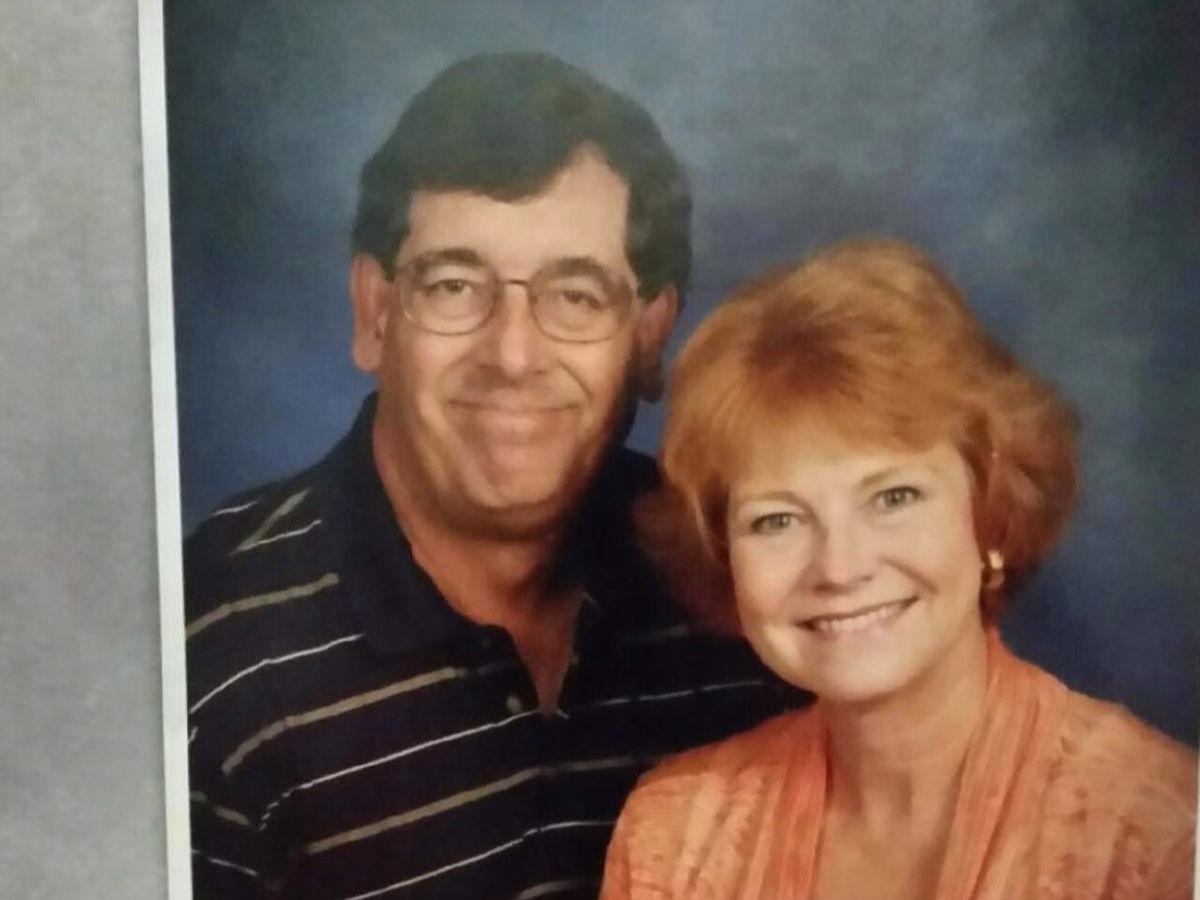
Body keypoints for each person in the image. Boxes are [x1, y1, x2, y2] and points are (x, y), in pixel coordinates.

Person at [184, 53, 793, 900]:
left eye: (575, 296)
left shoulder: (737, 586)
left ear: (649, 335)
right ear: (374, 313)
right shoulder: (206, 661)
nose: (512, 355)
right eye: (454, 286)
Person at [600, 239, 1197, 899]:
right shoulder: (674, 839)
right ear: (723, 555)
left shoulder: (1161, 835)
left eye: (893, 497)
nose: (840, 567)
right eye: (778, 520)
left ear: (990, 514)